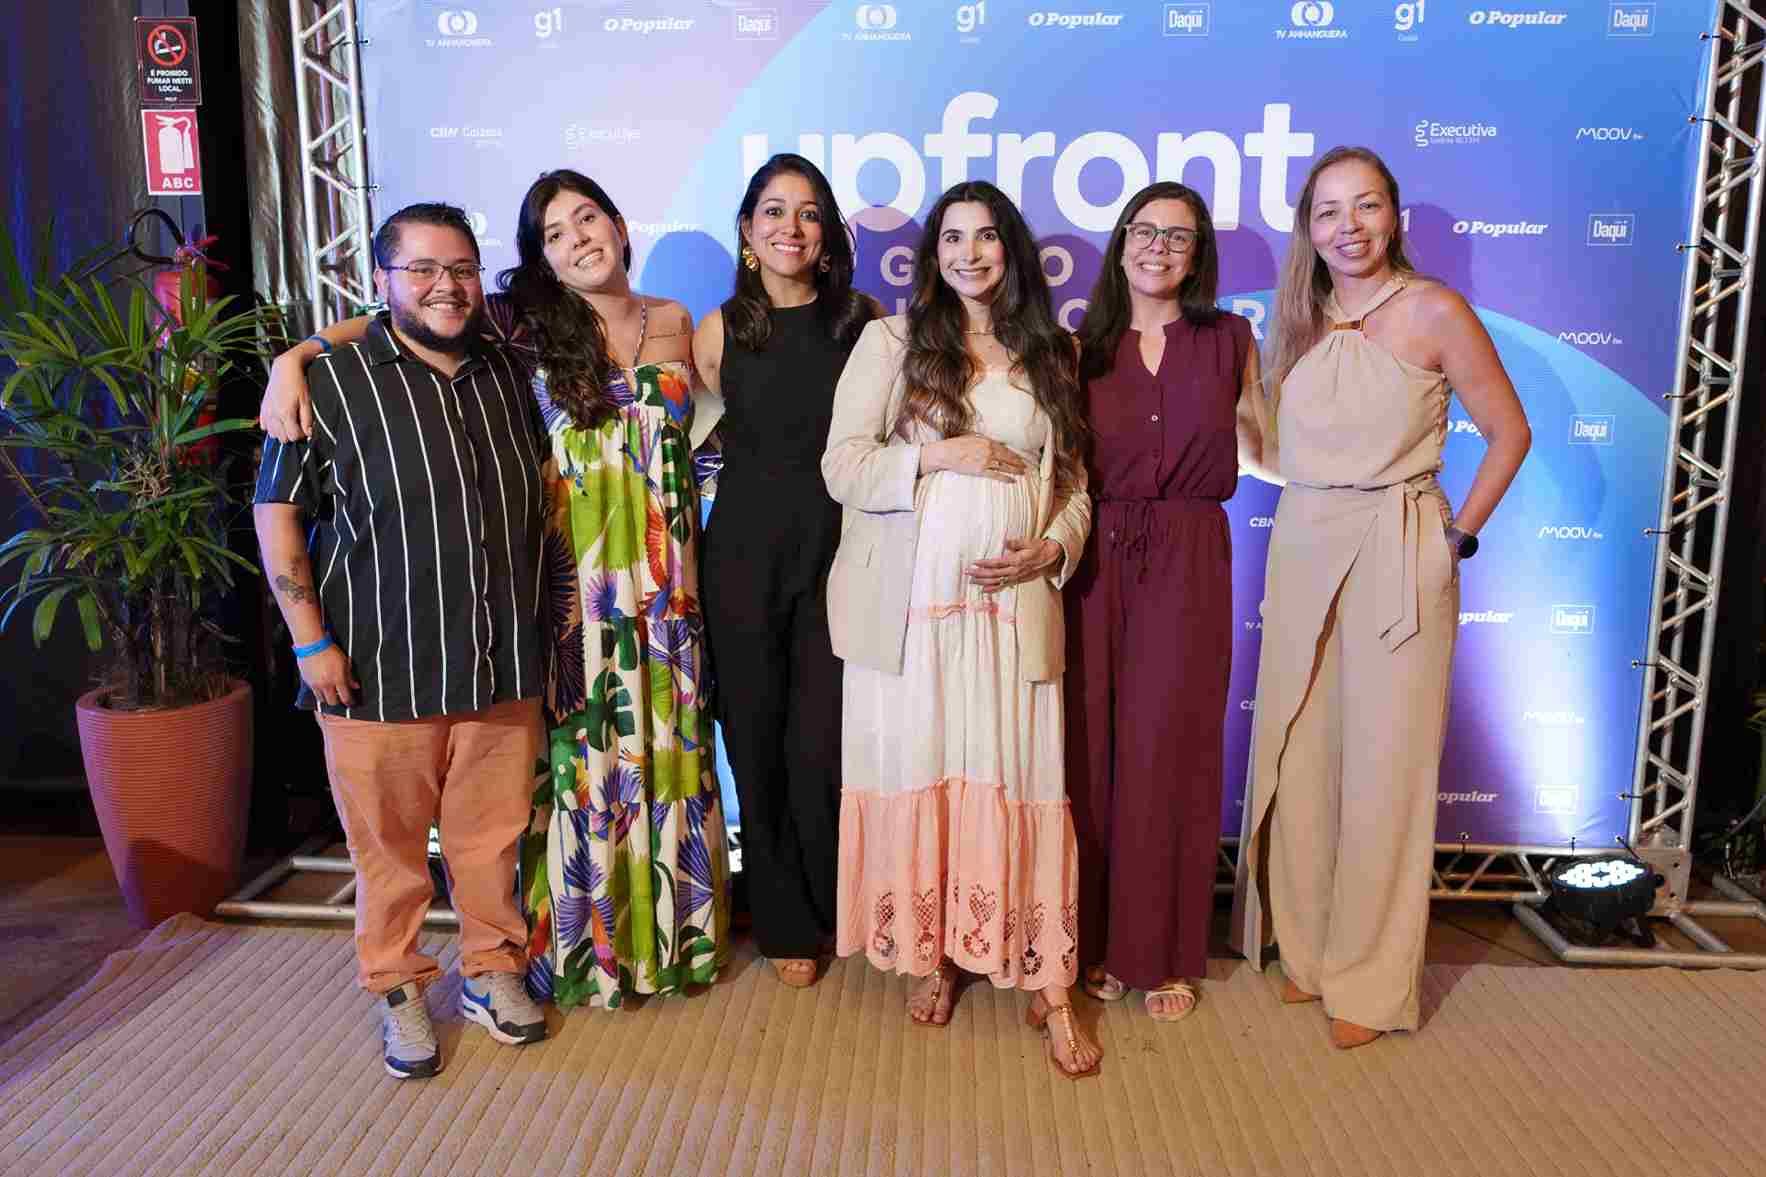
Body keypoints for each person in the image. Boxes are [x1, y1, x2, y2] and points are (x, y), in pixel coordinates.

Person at [259, 171, 730, 1011]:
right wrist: (295, 356)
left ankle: (662, 941)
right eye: (554, 233)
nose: (578, 239)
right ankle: (577, 952)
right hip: (570, 589)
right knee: (580, 766)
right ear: (539, 257)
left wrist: (690, 572)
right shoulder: (520, 328)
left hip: (660, 587)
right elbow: (400, 312)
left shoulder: (676, 322)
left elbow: (696, 459)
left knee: (657, 754)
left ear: (621, 224)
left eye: (588, 218)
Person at [1228, 147, 1531, 1049]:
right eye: (1328, 211)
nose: (1347, 227)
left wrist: (1454, 537)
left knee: (1386, 769)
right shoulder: (1297, 318)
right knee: (1301, 754)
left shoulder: (1435, 309)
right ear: (1309, 228)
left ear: (1393, 216)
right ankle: (1310, 951)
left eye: (1365, 206)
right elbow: (1278, 453)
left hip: (1400, 548)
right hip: (1304, 544)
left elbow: (1510, 432)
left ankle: (1369, 979)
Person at [253, 202, 549, 1079]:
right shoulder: (330, 383)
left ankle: (492, 969)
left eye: (460, 268)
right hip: (378, 664)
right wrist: (308, 641)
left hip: (500, 658)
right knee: (386, 850)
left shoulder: (506, 368)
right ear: (382, 279)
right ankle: (398, 983)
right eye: (421, 269)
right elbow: (277, 515)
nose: (444, 286)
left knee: (492, 838)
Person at [822, 180, 1101, 1078]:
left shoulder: (1052, 351)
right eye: (952, 237)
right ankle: (932, 952)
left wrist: (1051, 549)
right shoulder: (892, 341)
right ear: (933, 254)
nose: (968, 253)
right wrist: (942, 453)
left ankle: (1049, 980)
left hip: (1009, 612)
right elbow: (842, 467)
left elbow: (1074, 485)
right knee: (926, 770)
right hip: (912, 616)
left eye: (986, 236)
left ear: (1010, 249)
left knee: (1017, 776)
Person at [1066, 182, 1270, 1023]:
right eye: (1144, 231)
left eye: (1179, 236)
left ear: (1199, 255)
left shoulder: (1232, 340)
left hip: (1190, 553)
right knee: (1091, 748)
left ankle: (1167, 952)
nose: (1159, 247)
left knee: (1172, 747)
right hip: (1095, 553)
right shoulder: (1081, 347)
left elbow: (1271, 445)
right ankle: (1098, 943)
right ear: (1120, 245)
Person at [692, 154, 880, 988]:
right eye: (773, 211)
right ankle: (781, 923)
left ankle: (839, 902)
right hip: (742, 555)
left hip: (842, 553)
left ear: (828, 233)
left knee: (823, 744)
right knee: (755, 740)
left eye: (807, 213)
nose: (789, 228)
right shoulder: (717, 330)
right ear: (747, 229)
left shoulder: (865, 323)